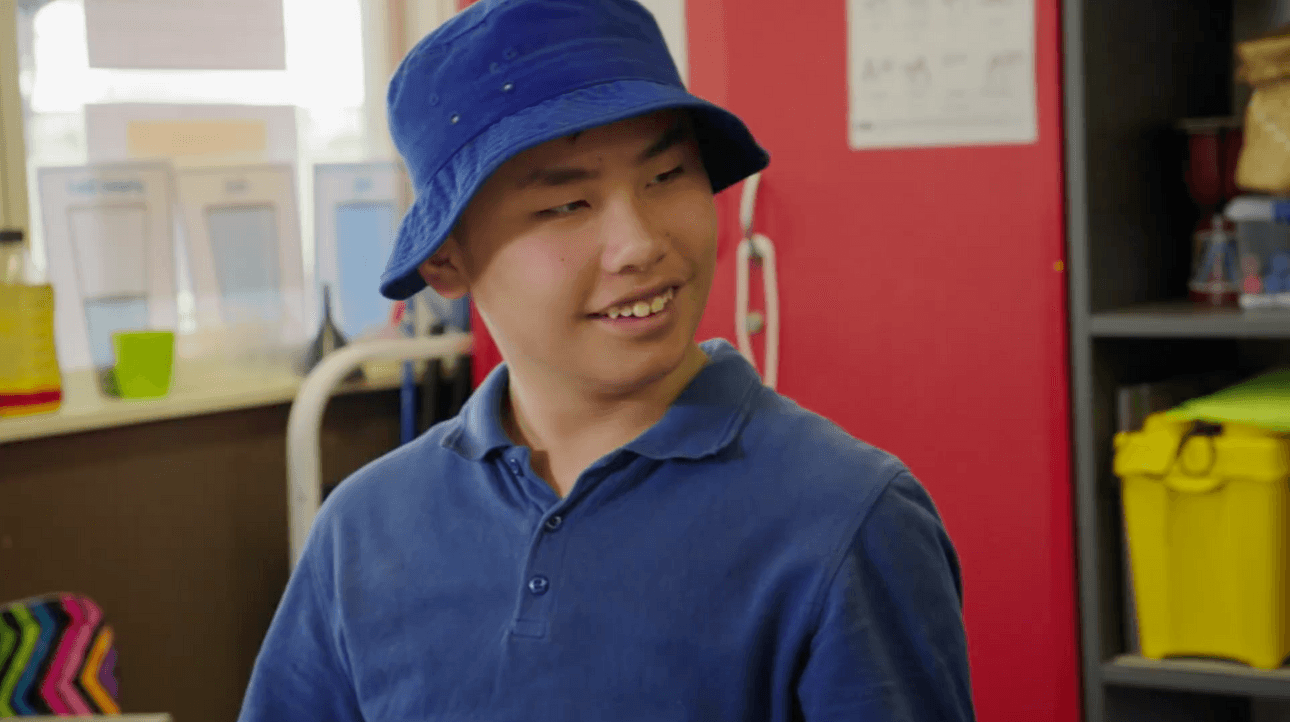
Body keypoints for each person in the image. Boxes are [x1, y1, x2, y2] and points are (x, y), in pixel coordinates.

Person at [237, 0, 975, 719]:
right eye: (566, 206)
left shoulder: (849, 517)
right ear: (446, 261)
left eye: (667, 175)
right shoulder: (364, 530)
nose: (641, 244)